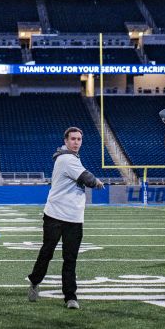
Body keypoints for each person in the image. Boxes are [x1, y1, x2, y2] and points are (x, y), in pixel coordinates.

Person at [26, 127, 105, 310]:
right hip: (55, 215)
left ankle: (70, 296)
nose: (76, 142)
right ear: (66, 141)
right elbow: (87, 178)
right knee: (47, 252)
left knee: (70, 258)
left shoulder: (72, 158)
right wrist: (98, 182)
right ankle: (35, 281)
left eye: (79, 139)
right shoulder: (66, 159)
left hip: (74, 218)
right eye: (73, 139)